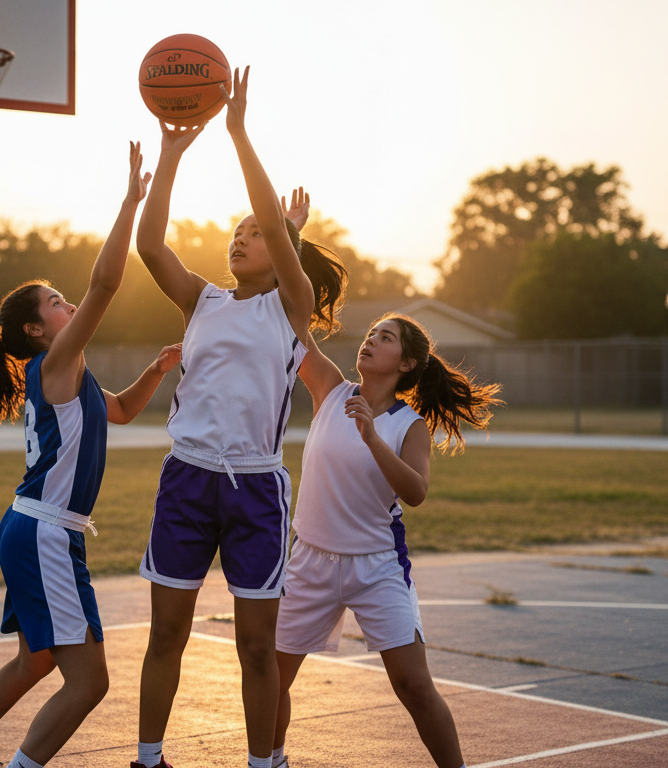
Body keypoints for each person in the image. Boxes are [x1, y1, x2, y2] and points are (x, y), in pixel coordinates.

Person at [0, 142, 182, 768]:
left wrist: (154, 372)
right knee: (89, 682)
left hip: (33, 526)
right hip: (43, 531)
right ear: (39, 329)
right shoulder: (56, 361)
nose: (71, 303)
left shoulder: (72, 371)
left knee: (37, 657)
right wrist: (131, 201)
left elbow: (117, 411)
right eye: (56, 301)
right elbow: (105, 281)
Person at [131, 67, 347, 768]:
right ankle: (148, 756)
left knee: (257, 645)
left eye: (256, 233)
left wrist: (238, 131)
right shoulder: (203, 300)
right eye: (235, 232)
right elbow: (150, 246)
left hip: (254, 486)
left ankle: (263, 762)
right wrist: (171, 153)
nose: (239, 238)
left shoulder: (290, 303)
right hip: (188, 478)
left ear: (283, 245)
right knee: (167, 634)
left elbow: (278, 233)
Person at [273, 313, 502, 768]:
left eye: (386, 337)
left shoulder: (409, 425)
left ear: (406, 363)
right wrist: (286, 246)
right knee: (272, 680)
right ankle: (271, 761)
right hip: (309, 562)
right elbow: (292, 326)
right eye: (371, 332)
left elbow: (415, 492)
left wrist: (371, 437)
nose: (371, 340)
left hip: (376, 568)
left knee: (415, 686)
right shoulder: (330, 388)